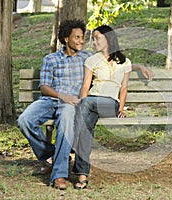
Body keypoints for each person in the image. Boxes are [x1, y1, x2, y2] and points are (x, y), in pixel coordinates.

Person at [17, 19, 153, 190]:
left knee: (66, 121)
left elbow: (112, 60)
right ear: (66, 39)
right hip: (50, 100)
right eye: (78, 37)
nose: (82, 41)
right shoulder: (50, 59)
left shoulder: (88, 56)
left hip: (73, 104)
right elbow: (44, 87)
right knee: (24, 120)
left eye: (82, 37)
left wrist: (138, 67)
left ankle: (59, 175)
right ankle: (52, 155)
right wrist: (62, 96)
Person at [72, 25, 130, 189]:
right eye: (93, 38)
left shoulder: (125, 62)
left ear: (108, 38)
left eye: (97, 37)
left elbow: (123, 88)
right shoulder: (91, 60)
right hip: (90, 104)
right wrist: (82, 105)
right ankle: (82, 176)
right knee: (85, 129)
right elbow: (85, 86)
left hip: (110, 104)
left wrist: (121, 109)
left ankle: (72, 142)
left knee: (87, 103)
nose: (94, 41)